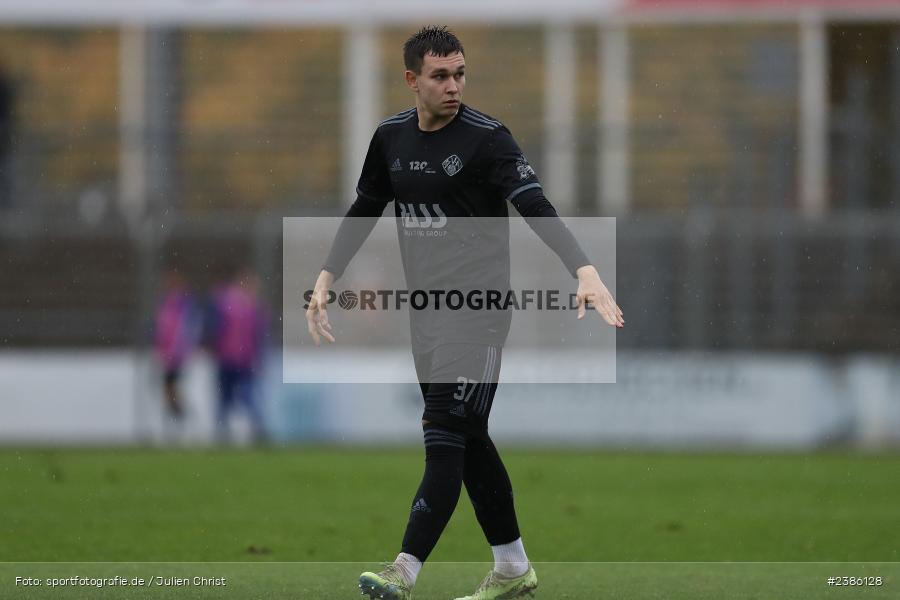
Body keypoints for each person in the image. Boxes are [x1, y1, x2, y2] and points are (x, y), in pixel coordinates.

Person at [305, 26, 623, 600]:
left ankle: (403, 570)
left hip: (477, 312)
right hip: (425, 315)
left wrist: (584, 269)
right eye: (440, 76)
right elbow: (366, 207)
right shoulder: (390, 138)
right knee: (469, 436)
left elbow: (536, 206)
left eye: (460, 74)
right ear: (412, 80)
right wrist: (328, 276)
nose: (453, 86)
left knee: (444, 431)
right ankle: (512, 568)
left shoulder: (488, 139)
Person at [209, 266, 268, 444]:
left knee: (234, 397)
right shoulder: (233, 303)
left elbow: (259, 335)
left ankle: (229, 432)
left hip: (239, 359)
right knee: (235, 397)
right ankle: (229, 432)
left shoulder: (247, 305)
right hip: (233, 359)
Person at [153, 270, 199, 426]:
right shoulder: (166, 302)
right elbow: (161, 329)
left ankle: (183, 415)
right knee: (169, 388)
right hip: (168, 353)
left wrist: (179, 349)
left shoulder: (183, 304)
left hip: (176, 354)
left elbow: (185, 330)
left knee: (170, 387)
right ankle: (179, 415)